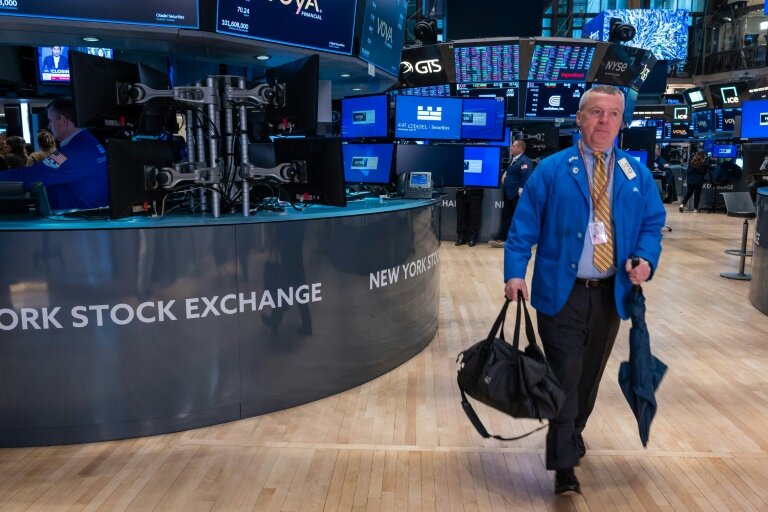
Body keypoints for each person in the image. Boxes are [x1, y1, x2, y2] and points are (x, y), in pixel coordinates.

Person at [503, 85, 666, 495]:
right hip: (562, 293)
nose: (604, 121)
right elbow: (523, 228)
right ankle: (564, 466)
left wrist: (646, 258)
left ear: (622, 121)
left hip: (611, 295)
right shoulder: (552, 170)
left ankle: (572, 430)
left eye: (613, 114)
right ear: (579, 118)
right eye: (596, 112)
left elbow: (652, 224)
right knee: (565, 374)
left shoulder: (636, 173)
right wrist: (515, 273)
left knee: (589, 377)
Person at [0, 97, 108, 210]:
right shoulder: (94, 144)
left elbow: (33, 175)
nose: (48, 126)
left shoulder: (71, 153)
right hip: (91, 213)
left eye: (51, 121)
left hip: (77, 218)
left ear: (63, 120)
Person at [489, 139, 533, 248]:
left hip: (517, 195)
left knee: (518, 218)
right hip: (509, 194)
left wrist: (521, 190)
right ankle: (503, 238)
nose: (511, 148)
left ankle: (521, 241)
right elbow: (513, 171)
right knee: (506, 216)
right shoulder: (514, 159)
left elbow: (526, 176)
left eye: (513, 146)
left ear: (520, 148)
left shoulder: (525, 161)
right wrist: (505, 173)